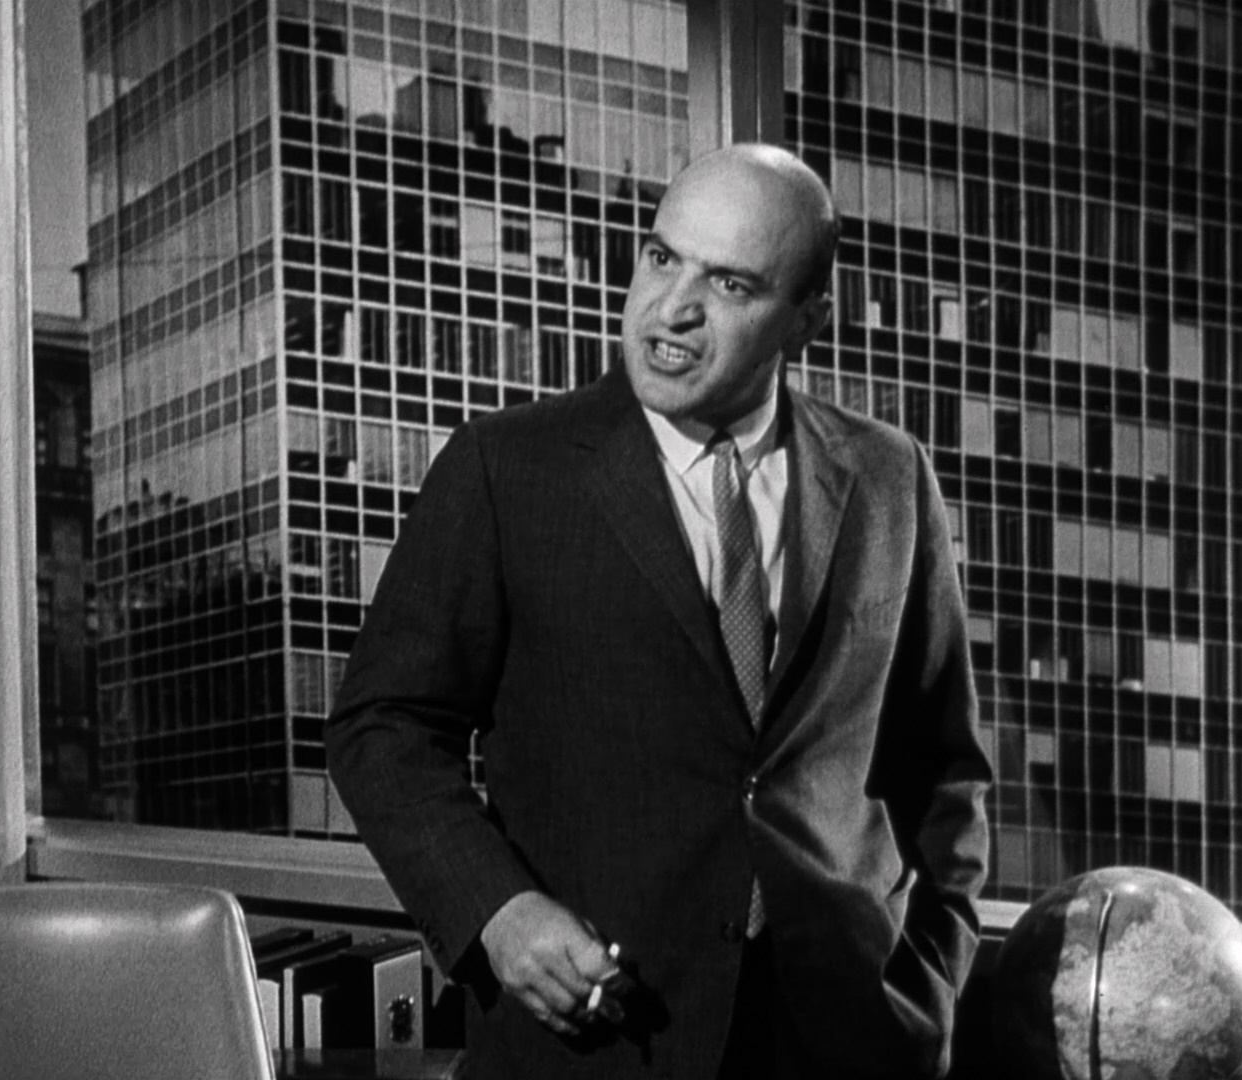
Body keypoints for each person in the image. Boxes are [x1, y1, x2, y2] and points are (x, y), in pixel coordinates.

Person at [326, 142, 992, 1079]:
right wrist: (499, 913)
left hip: (844, 1040)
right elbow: (382, 726)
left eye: (729, 284)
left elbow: (941, 767)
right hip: (598, 1036)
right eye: (661, 257)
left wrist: (928, 983)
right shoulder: (506, 469)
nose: (672, 308)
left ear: (808, 319)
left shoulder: (890, 477)